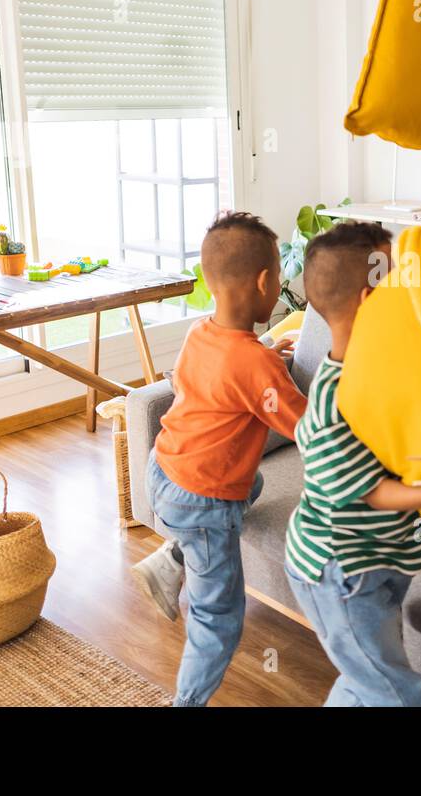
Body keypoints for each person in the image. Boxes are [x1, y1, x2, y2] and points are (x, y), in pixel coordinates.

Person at [283, 221, 421, 706]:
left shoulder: (383, 374)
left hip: (378, 561)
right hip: (339, 573)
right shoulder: (335, 401)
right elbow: (377, 491)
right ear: (368, 302)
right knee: (395, 693)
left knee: (366, 676)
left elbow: (406, 442)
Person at [134, 210, 306, 707]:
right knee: (219, 619)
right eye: (278, 276)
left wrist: (270, 349)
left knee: (248, 485)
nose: (280, 285)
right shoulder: (255, 365)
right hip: (201, 502)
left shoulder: (202, 333)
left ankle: (170, 558)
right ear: (263, 281)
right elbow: (305, 427)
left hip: (163, 472)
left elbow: (223, 378)